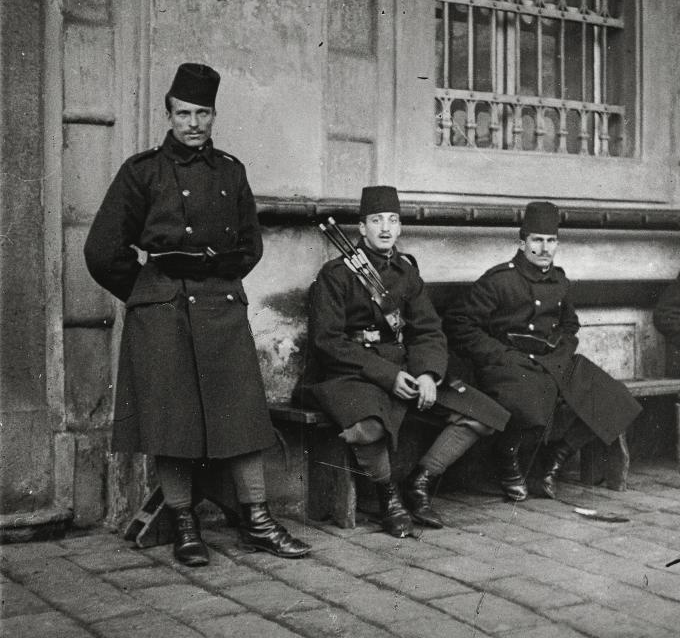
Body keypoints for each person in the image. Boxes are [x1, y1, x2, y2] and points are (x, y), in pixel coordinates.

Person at [84, 62, 310, 566]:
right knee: (172, 420)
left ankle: (258, 521)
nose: (192, 122)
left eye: (202, 113)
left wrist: (221, 276)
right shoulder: (141, 172)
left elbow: (250, 244)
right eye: (183, 112)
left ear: (213, 116)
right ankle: (185, 526)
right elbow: (102, 251)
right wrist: (147, 292)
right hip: (162, 307)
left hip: (219, 303)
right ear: (168, 114)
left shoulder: (231, 171)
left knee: (244, 416)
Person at [306, 186, 510, 537]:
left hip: (406, 369)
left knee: (483, 413)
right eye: (376, 220)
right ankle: (389, 498)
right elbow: (328, 341)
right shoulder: (336, 275)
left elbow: (428, 330)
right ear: (362, 228)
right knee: (368, 425)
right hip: (352, 371)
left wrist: (428, 373)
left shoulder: (406, 272)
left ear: (400, 227)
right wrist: (388, 375)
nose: (385, 228)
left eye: (392, 220)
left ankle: (419, 483)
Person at [444, 201, 642, 502]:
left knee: (613, 397)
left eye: (551, 241)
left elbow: (569, 323)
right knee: (531, 402)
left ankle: (553, 461)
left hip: (552, 360)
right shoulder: (499, 280)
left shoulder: (559, 281)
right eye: (537, 240)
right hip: (508, 364)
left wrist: (562, 349)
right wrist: (499, 354)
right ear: (522, 243)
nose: (544, 248)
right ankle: (508, 462)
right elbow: (459, 324)